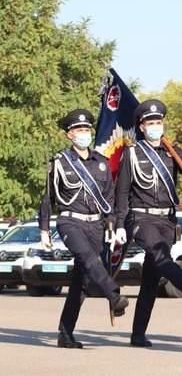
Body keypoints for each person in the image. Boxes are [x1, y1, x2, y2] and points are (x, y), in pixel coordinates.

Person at [115, 99, 182, 347]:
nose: (155, 125)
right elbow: (122, 193)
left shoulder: (172, 151)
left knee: (151, 279)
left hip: (166, 218)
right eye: (150, 122)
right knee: (159, 254)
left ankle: (137, 334)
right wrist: (118, 225)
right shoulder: (132, 153)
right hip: (141, 217)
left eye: (158, 121)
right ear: (141, 127)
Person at [39, 109, 128, 348]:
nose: (84, 134)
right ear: (69, 135)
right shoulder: (59, 163)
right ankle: (114, 294)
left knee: (81, 281)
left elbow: (108, 196)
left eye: (87, 130)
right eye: (79, 130)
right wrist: (44, 229)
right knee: (88, 258)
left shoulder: (100, 163)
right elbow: (47, 198)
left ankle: (65, 333)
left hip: (95, 225)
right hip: (70, 221)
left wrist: (112, 222)